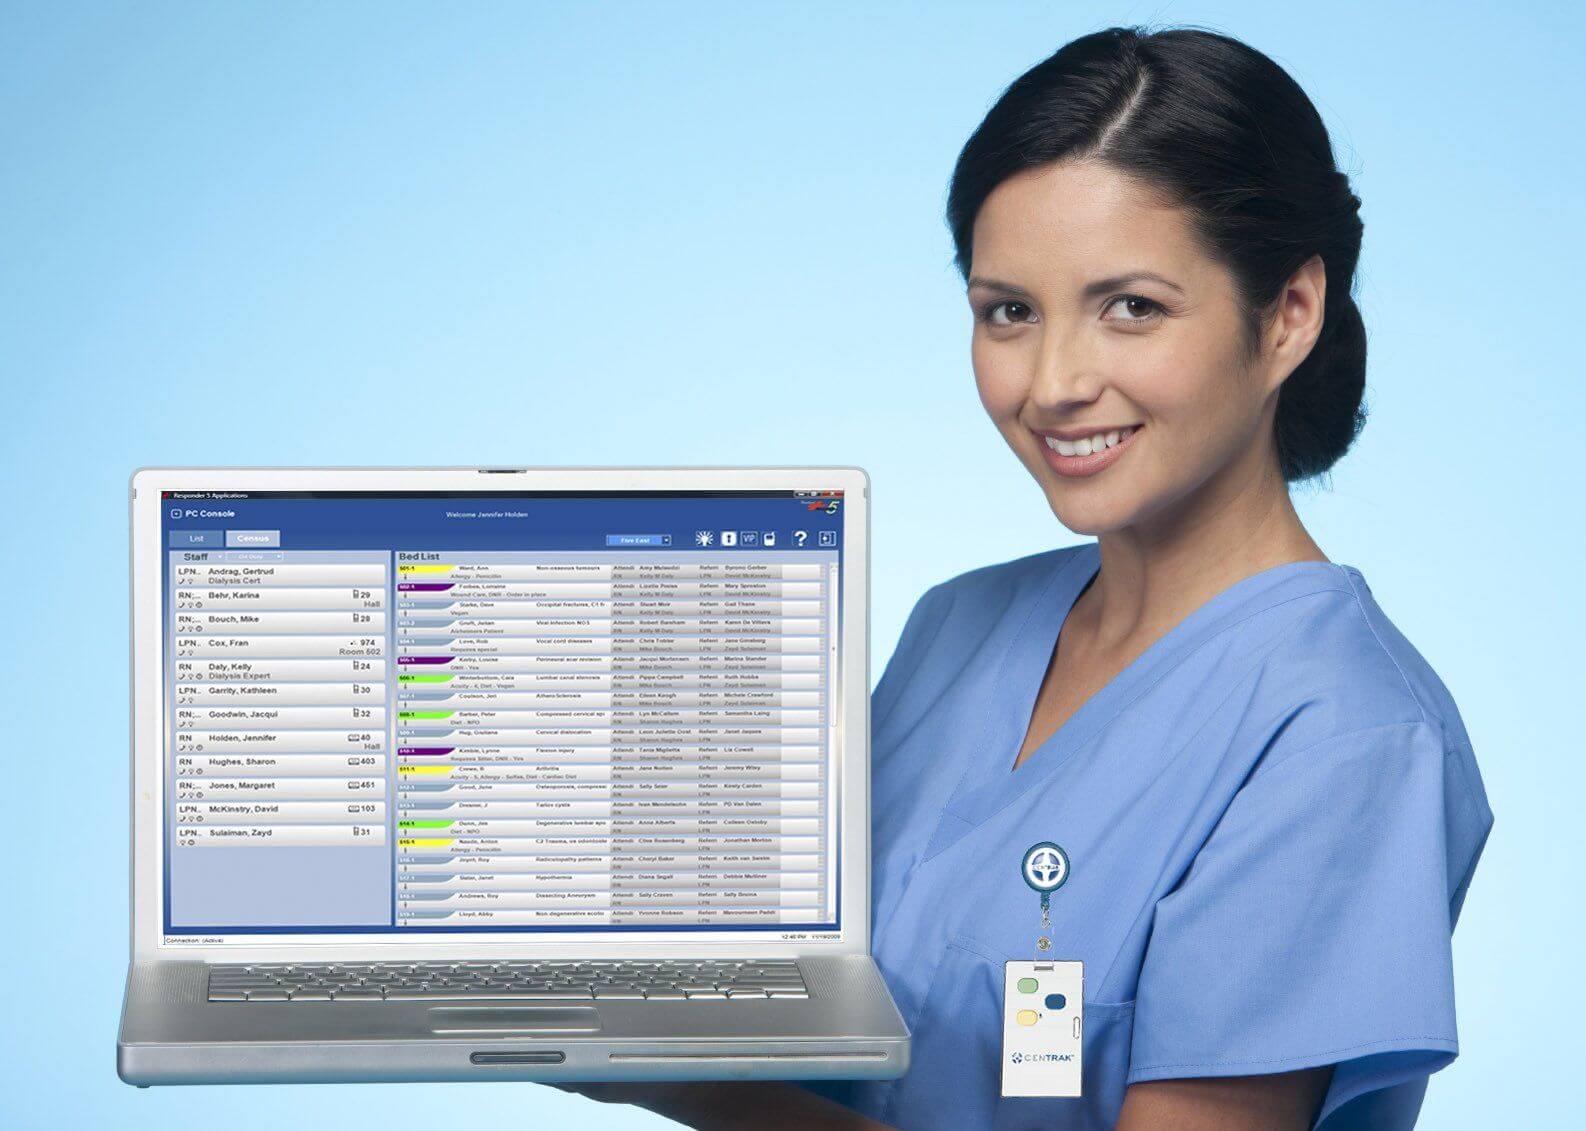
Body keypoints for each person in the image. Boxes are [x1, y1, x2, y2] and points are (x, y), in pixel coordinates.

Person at [565, 24, 1494, 1130]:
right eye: (1008, 310)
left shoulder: (1343, 742)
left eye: (1131, 307)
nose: (1051, 383)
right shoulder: (956, 630)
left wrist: (689, 1085)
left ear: (1288, 313)